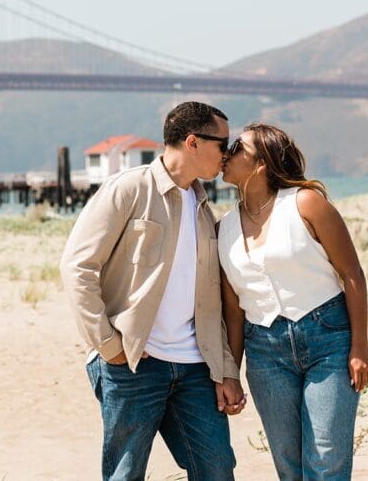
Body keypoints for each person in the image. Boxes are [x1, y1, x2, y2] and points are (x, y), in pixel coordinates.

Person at [61, 101, 246, 481]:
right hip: (132, 363)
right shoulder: (128, 189)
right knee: (125, 474)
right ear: (193, 142)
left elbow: (210, 299)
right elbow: (77, 266)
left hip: (195, 366)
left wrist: (225, 369)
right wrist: (108, 344)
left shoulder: (204, 205)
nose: (227, 154)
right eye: (222, 143)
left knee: (217, 470)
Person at [218, 123, 368, 481]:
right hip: (265, 353)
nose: (226, 153)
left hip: (329, 342)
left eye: (237, 147)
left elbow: (352, 274)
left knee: (326, 460)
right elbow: (234, 311)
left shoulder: (307, 203)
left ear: (261, 164)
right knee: (289, 466)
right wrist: (231, 373)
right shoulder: (222, 228)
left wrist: (360, 347)